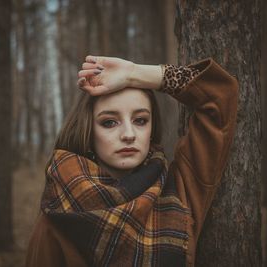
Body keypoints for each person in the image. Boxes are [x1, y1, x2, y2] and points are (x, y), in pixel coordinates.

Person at [25, 55, 238, 267]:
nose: (129, 134)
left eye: (140, 120)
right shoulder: (58, 216)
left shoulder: (179, 191)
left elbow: (220, 94)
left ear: (152, 129)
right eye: (109, 122)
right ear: (88, 130)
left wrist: (134, 74)